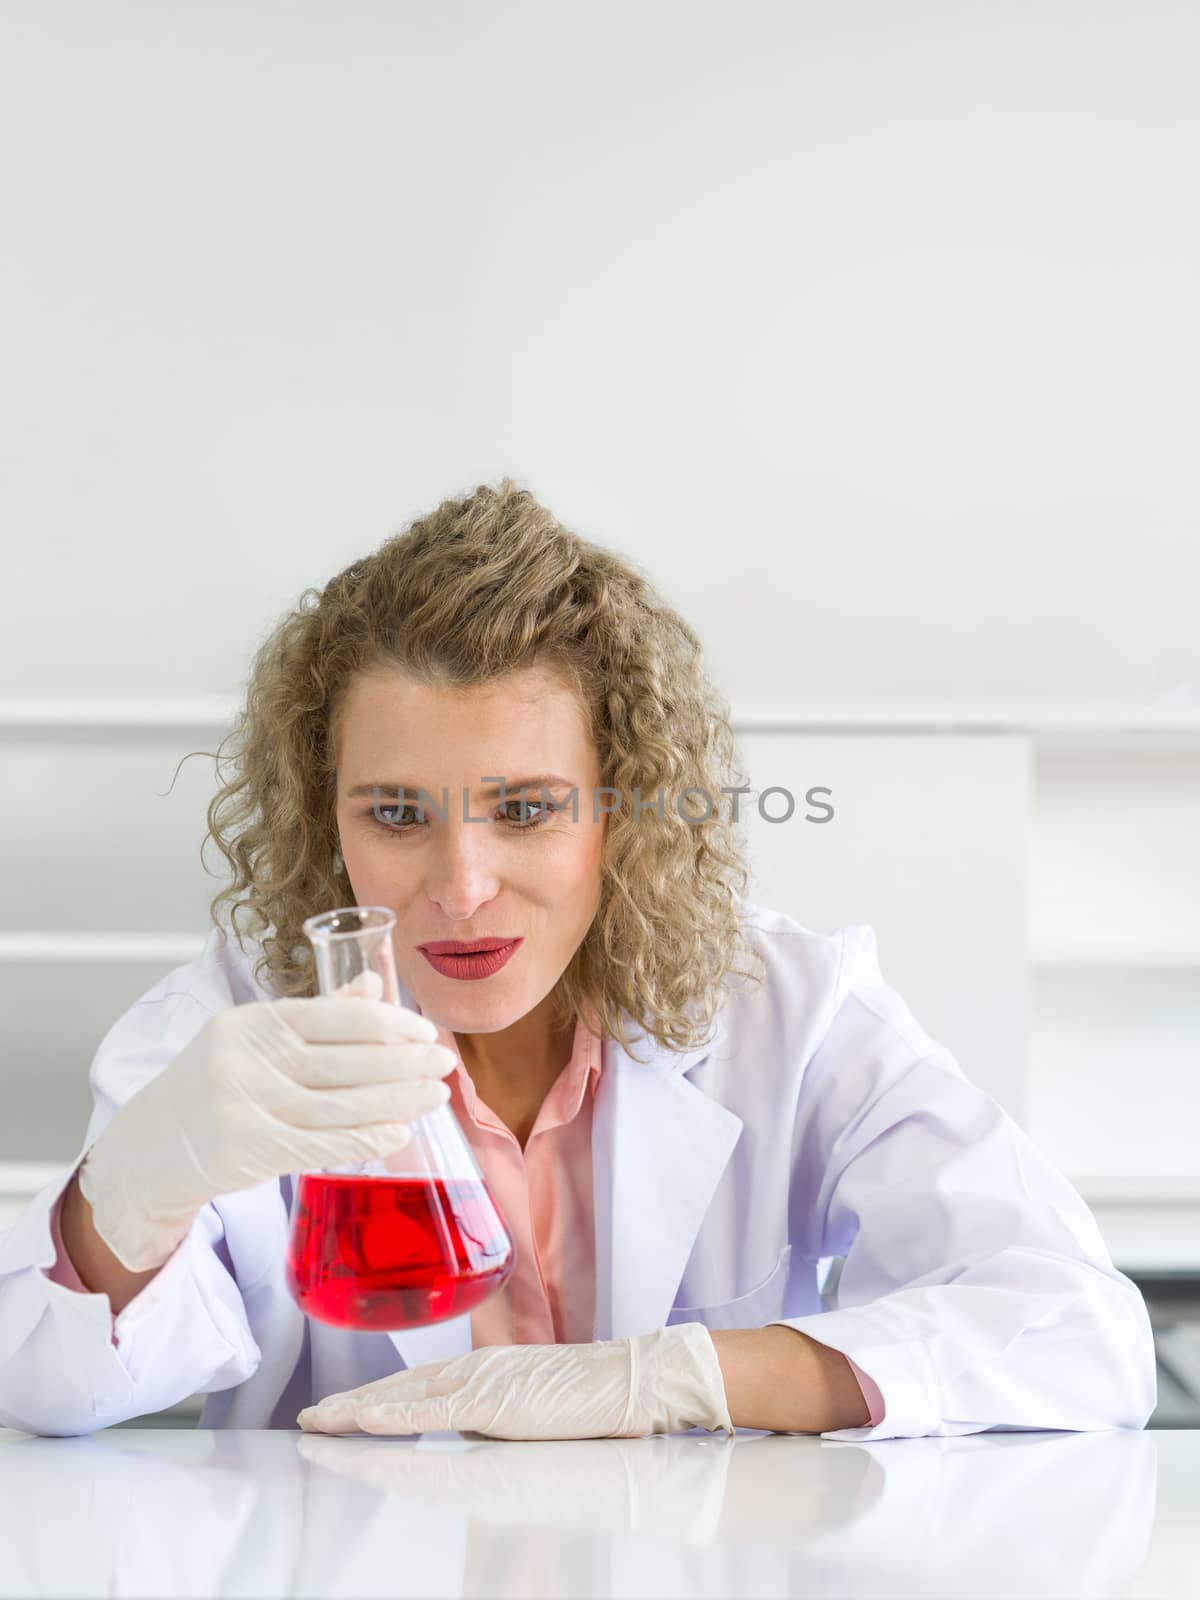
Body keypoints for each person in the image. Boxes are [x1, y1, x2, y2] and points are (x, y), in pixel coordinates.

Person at [0, 480, 1157, 1441]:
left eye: (528, 808)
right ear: (323, 813)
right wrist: (134, 1191)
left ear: (627, 811)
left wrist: (679, 1377)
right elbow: (46, 1389)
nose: (459, 884)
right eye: (396, 812)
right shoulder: (233, 1026)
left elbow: (1079, 1334)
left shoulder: (788, 1013)